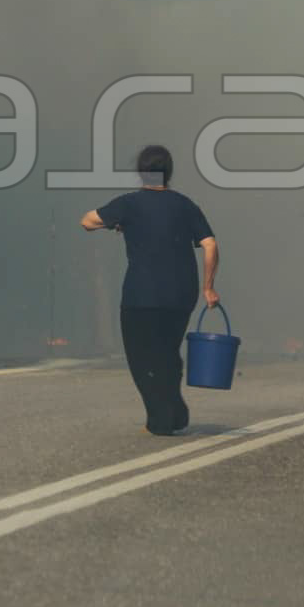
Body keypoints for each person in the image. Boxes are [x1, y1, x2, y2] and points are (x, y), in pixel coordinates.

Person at [81, 144, 220, 436]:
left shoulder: (129, 204)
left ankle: (162, 419)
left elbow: (87, 221)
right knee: (167, 352)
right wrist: (209, 288)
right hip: (182, 295)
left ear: (141, 172)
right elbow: (209, 244)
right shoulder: (185, 205)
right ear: (169, 172)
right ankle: (174, 409)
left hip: (141, 296)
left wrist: (115, 223)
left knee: (143, 359)